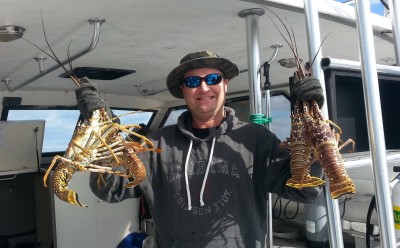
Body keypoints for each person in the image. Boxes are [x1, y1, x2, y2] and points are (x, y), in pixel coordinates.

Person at [75, 50, 325, 248]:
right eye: (193, 81)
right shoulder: (154, 145)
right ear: (183, 89)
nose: (204, 87)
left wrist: (312, 127)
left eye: (212, 79)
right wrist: (103, 133)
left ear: (225, 84)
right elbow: (108, 190)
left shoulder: (256, 139)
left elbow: (306, 190)